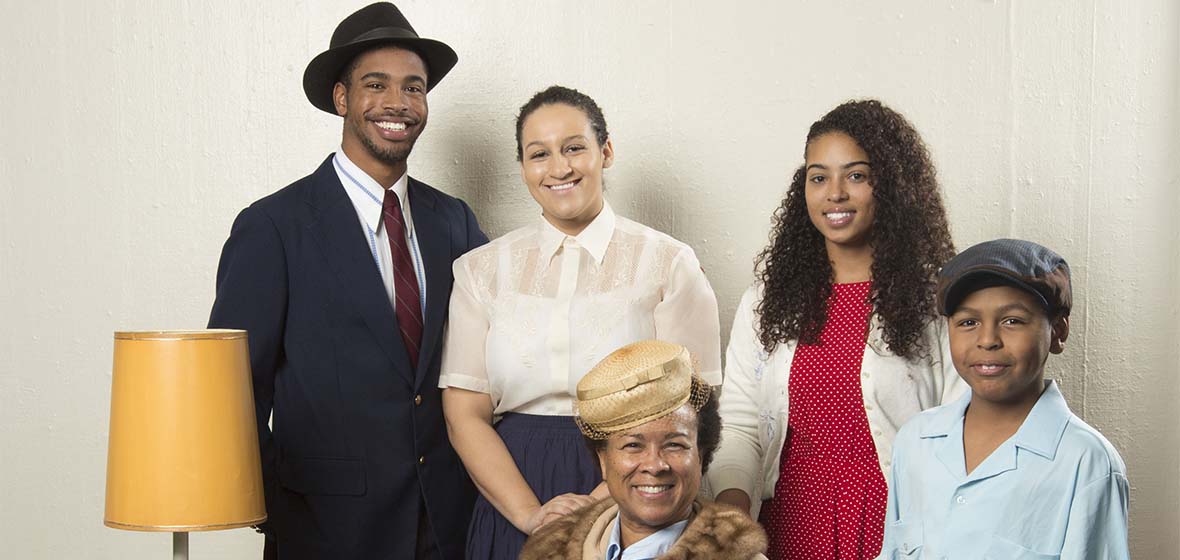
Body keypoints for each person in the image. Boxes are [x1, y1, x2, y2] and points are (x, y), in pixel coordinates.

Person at [207, 3, 486, 559]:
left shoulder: (453, 221)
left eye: (414, 87)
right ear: (342, 99)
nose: (397, 103)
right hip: (324, 529)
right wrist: (277, 504)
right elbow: (229, 387)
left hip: (448, 523)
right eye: (376, 85)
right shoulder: (274, 227)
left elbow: (495, 353)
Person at [440, 85, 723, 559]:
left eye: (574, 148)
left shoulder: (668, 262)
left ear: (605, 152)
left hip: (635, 483)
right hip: (511, 486)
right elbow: (464, 413)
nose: (559, 168)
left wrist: (595, 508)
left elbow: (697, 409)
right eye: (539, 154)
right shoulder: (480, 270)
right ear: (523, 166)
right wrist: (531, 514)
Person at [708, 99, 966, 559]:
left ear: (891, 186)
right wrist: (733, 522)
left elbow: (961, 423)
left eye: (857, 175)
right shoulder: (765, 304)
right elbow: (742, 422)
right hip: (787, 525)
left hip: (898, 526)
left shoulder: (936, 302)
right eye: (819, 177)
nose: (835, 194)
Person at [880, 239, 1130, 559]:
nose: (987, 340)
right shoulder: (915, 440)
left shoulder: (1087, 463)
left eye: (1012, 321)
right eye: (968, 322)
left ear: (1058, 331)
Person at [520, 340, 768, 560]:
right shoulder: (550, 552)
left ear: (701, 456)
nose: (654, 464)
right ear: (603, 460)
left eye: (674, 445)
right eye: (633, 446)